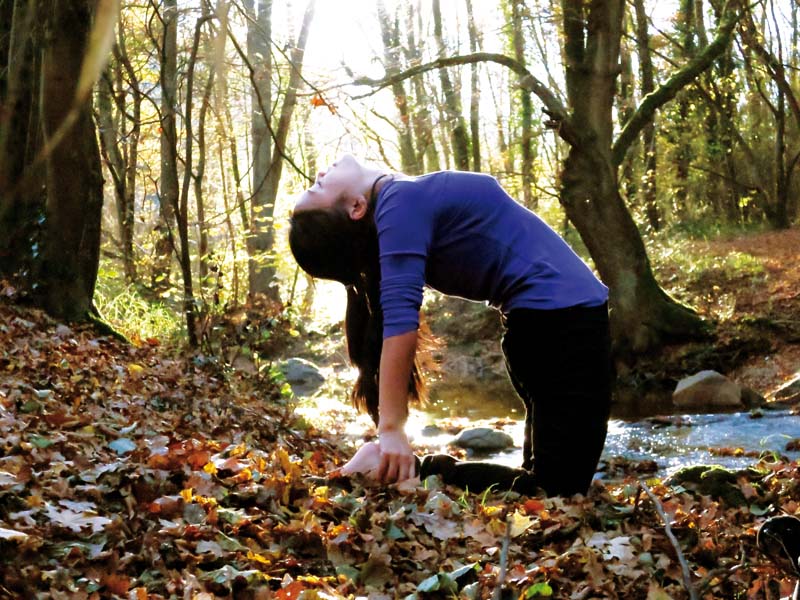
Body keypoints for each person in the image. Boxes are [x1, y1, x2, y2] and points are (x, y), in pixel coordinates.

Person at [289, 154, 612, 496]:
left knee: (545, 479)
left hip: (548, 329)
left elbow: (394, 313)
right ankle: (407, 469)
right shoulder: (399, 203)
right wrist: (391, 429)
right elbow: (400, 320)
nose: (322, 170)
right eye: (319, 185)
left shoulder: (398, 207)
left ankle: (406, 469)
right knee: (557, 488)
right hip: (562, 330)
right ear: (356, 206)